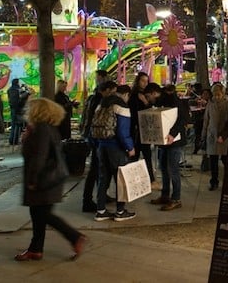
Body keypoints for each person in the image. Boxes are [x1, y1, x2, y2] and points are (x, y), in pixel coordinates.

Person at [15, 97, 85, 261]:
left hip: (43, 180)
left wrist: (33, 180)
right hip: (48, 179)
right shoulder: (47, 128)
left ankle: (75, 237)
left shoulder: (41, 129)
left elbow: (39, 156)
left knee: (44, 215)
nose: (27, 111)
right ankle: (36, 249)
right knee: (38, 215)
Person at [93, 83, 137, 222]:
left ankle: (100, 211)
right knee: (120, 180)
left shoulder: (102, 104)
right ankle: (120, 211)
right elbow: (122, 132)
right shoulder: (121, 106)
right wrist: (130, 147)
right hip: (116, 148)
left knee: (103, 178)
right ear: (126, 95)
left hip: (101, 146)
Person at [148, 83, 188, 212]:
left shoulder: (173, 100)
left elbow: (181, 119)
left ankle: (176, 199)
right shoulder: (161, 102)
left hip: (174, 141)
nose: (149, 99)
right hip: (164, 141)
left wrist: (173, 133)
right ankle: (165, 195)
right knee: (164, 168)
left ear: (154, 93)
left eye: (149, 96)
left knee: (173, 170)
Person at [78, 69, 108, 212]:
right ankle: (88, 201)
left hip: (92, 136)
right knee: (95, 170)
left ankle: (100, 196)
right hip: (95, 138)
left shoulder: (93, 98)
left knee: (97, 170)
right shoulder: (98, 99)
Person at [128, 72, 160, 191]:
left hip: (144, 131)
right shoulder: (135, 96)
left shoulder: (145, 95)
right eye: (142, 81)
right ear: (138, 81)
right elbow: (138, 114)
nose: (144, 83)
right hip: (137, 131)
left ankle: (150, 179)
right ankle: (134, 180)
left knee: (146, 156)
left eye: (146, 81)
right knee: (136, 157)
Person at [202, 84, 228, 191]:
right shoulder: (210, 103)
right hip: (212, 135)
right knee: (213, 160)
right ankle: (214, 181)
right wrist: (204, 135)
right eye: (215, 94)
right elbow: (206, 119)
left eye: (218, 94)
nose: (216, 97)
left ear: (223, 94)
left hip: (224, 136)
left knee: (225, 159)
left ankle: (227, 181)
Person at [7, 79, 23, 146]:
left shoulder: (9, 90)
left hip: (12, 108)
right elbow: (21, 98)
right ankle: (16, 139)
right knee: (18, 125)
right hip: (18, 109)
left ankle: (11, 139)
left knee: (13, 125)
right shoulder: (18, 90)